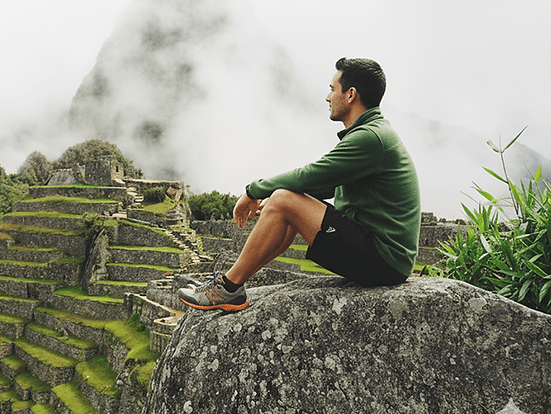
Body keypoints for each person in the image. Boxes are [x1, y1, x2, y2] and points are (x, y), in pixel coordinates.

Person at [178, 57, 421, 311]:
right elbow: (326, 187)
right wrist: (274, 201)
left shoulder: (370, 138)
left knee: (284, 198)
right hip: (381, 255)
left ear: (350, 95)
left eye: (332, 89)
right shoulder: (373, 132)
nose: (328, 97)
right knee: (284, 200)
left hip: (383, 260)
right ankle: (232, 285)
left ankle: (227, 288)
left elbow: (310, 176)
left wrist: (254, 190)